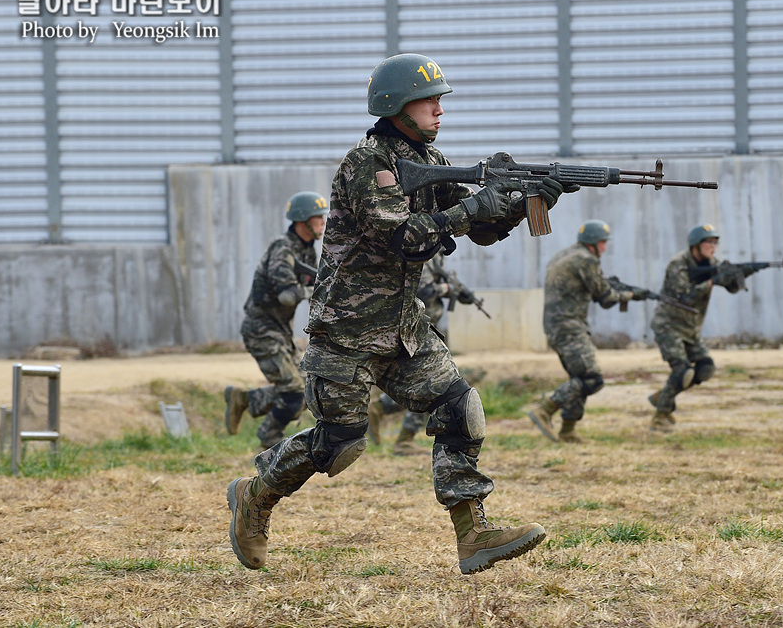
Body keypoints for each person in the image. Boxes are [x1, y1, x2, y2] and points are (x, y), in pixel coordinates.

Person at [227, 53, 569, 575]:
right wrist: (476, 206)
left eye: (440, 100)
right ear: (395, 105)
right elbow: (403, 237)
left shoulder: (430, 162)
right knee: (338, 445)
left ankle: (473, 534)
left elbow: (476, 228)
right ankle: (255, 495)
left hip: (404, 328)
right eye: (429, 99)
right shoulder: (367, 162)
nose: (440, 108)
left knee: (460, 410)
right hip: (347, 330)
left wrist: (525, 202)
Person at [527, 220, 649, 443]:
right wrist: (631, 295)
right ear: (592, 242)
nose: (605, 248)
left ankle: (568, 432)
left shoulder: (565, 255)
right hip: (569, 326)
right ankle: (544, 409)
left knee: (579, 377)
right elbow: (605, 297)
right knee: (592, 378)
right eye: (603, 243)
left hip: (557, 326)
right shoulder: (586, 259)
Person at [223, 191, 327, 451]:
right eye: (319, 218)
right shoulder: (283, 249)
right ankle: (268, 440)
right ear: (303, 221)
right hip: (261, 330)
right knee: (293, 390)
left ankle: (245, 399)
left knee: (307, 390)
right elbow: (286, 296)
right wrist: (314, 289)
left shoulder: (307, 250)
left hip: (280, 331)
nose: (324, 223)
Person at [367, 254, 477, 455]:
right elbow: (422, 291)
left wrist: (459, 293)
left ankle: (380, 410)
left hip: (427, 331)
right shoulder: (423, 255)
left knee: (428, 387)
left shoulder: (437, 257)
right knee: (433, 386)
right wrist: (447, 289)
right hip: (415, 333)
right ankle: (403, 440)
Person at [647, 223, 742, 432]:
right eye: (708, 242)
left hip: (691, 328)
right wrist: (711, 282)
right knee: (682, 372)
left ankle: (663, 396)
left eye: (715, 242)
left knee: (705, 369)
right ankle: (660, 418)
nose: (713, 247)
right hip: (669, 325)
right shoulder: (678, 265)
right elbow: (686, 295)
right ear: (695, 245)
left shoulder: (712, 263)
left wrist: (738, 276)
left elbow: (732, 287)